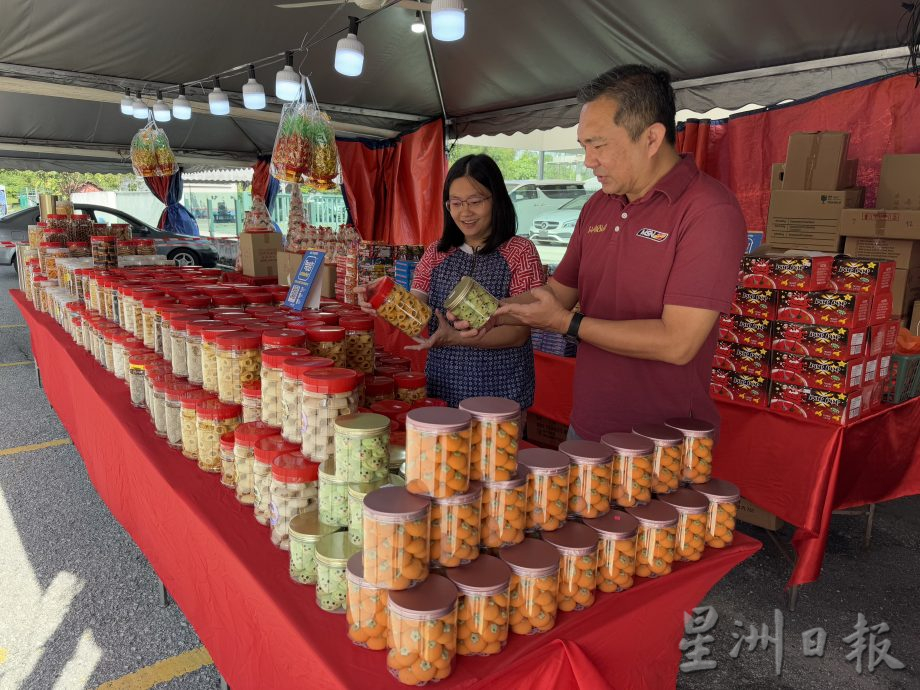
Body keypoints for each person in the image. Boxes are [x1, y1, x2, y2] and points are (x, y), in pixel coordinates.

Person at [456, 65, 746, 441]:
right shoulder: (599, 205)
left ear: (652, 138)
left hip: (666, 441)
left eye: (599, 145)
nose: (588, 161)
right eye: (584, 146)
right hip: (589, 425)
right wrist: (500, 311)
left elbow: (678, 342)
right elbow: (558, 293)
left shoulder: (708, 210)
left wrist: (567, 324)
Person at [359, 153, 544, 409]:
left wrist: (457, 338)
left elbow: (518, 332)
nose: (465, 212)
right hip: (442, 387)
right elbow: (416, 313)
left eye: (475, 201)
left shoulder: (519, 252)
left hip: (501, 392)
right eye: (455, 203)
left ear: (496, 199)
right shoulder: (437, 253)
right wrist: (383, 299)